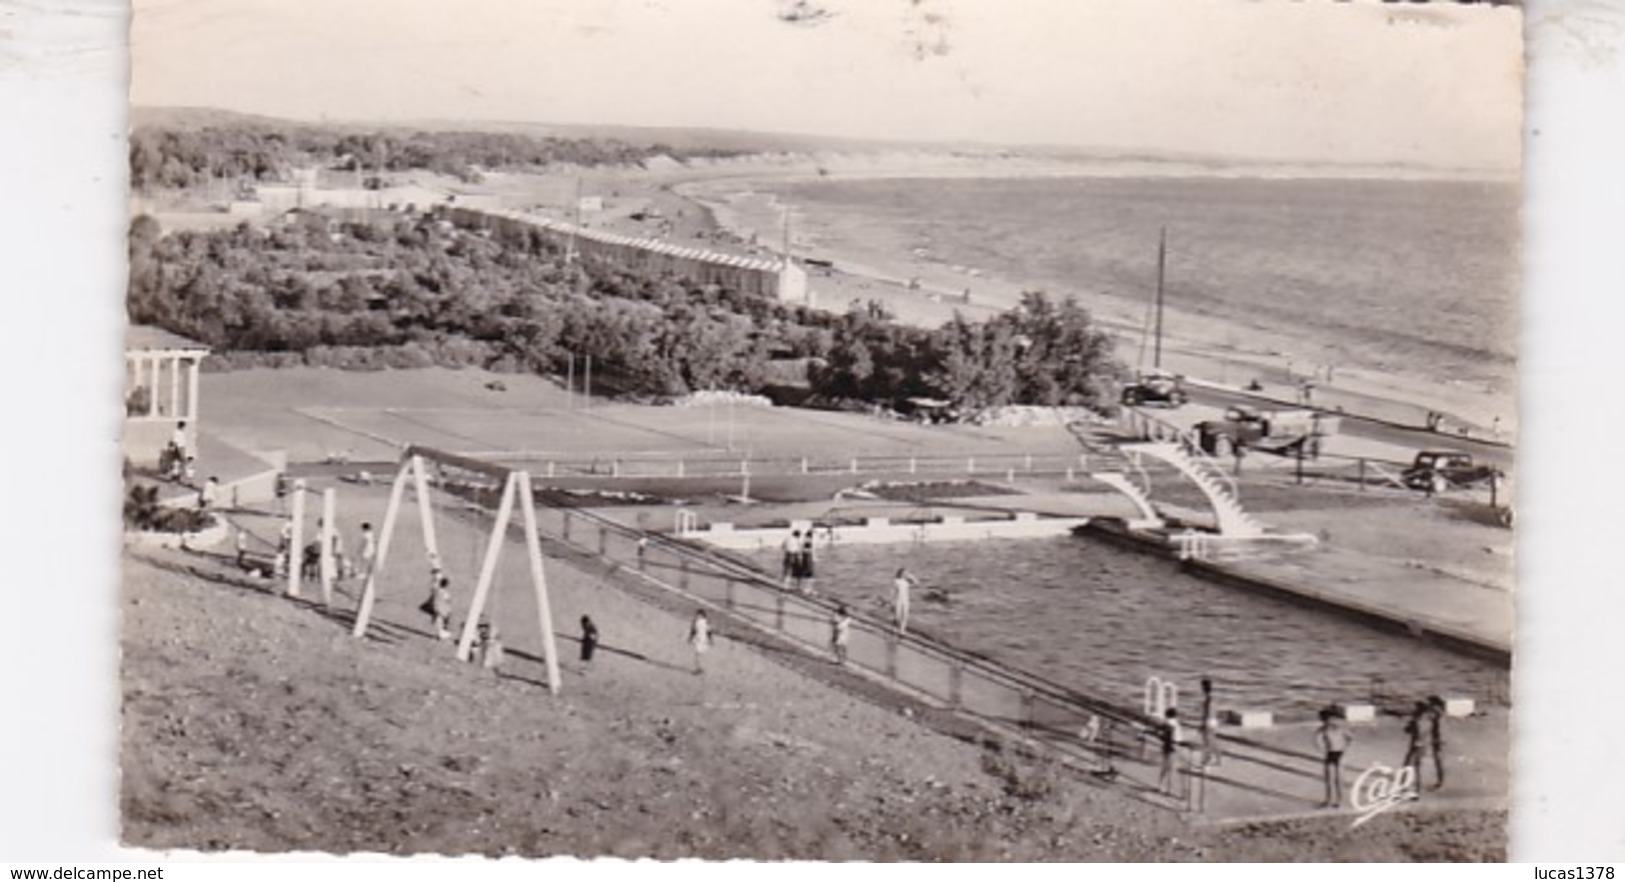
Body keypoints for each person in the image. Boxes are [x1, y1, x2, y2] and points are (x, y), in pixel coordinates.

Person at [1315, 707, 1354, 808]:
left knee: (1339, 780)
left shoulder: (1341, 729)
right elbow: (1317, 739)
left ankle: (1339, 800)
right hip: (1330, 753)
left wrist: (1345, 748)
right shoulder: (1323, 729)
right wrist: (1322, 748)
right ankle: (1328, 799)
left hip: (1340, 753)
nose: (1329, 721)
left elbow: (1350, 738)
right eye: (1327, 720)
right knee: (1329, 779)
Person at [1401, 701, 1431, 798]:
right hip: (1422, 746)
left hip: (1417, 746)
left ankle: (1406, 788)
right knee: (1416, 768)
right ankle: (1415, 789)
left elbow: (1409, 730)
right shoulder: (1427, 720)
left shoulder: (1419, 720)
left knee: (1408, 766)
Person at [1157, 708, 1184, 796]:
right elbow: (1177, 737)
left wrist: (1160, 735)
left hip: (1168, 747)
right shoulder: (1175, 724)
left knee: (1165, 768)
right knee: (1171, 769)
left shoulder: (1168, 723)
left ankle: (1161, 786)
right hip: (1174, 747)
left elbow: (1162, 735)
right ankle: (1168, 789)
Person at [1199, 678, 1221, 769]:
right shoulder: (1214, 698)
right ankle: (1218, 759)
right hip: (1214, 721)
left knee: (1206, 742)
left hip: (1208, 721)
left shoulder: (1207, 699)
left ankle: (1207, 761)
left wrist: (1202, 724)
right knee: (1213, 741)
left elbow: (1206, 713)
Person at [1426, 695, 1447, 790]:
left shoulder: (1439, 717)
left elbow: (1440, 731)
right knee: (1438, 761)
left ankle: (1440, 782)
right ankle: (1440, 781)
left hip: (1438, 741)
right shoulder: (1438, 716)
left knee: (1439, 761)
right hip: (1437, 740)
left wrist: (1439, 741)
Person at [892, 568, 917, 634]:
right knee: (897, 615)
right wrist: (893, 600)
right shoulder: (897, 581)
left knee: (905, 615)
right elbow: (894, 591)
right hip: (898, 599)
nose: (905, 574)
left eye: (906, 573)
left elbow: (916, 584)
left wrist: (912, 577)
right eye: (904, 573)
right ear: (901, 573)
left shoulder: (906, 582)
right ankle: (895, 627)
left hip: (905, 600)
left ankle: (902, 630)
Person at [687, 609, 712, 674]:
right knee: (699, 655)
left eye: (698, 615)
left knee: (697, 655)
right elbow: (709, 631)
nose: (697, 616)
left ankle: (699, 668)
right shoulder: (705, 622)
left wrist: (690, 638)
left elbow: (693, 631)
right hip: (703, 639)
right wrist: (710, 640)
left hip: (700, 639)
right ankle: (699, 668)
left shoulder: (696, 622)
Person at [431, 576, 453, 641]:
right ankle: (441, 634)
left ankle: (441, 633)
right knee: (441, 620)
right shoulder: (445, 593)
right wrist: (448, 610)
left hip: (436, 607)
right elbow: (448, 601)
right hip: (441, 609)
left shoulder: (437, 590)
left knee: (439, 620)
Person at [798, 530, 816, 595]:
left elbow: (803, 550)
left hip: (805, 559)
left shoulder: (804, 541)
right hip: (808, 559)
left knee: (805, 574)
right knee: (809, 575)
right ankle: (808, 589)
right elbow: (807, 550)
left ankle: (803, 588)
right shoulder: (808, 541)